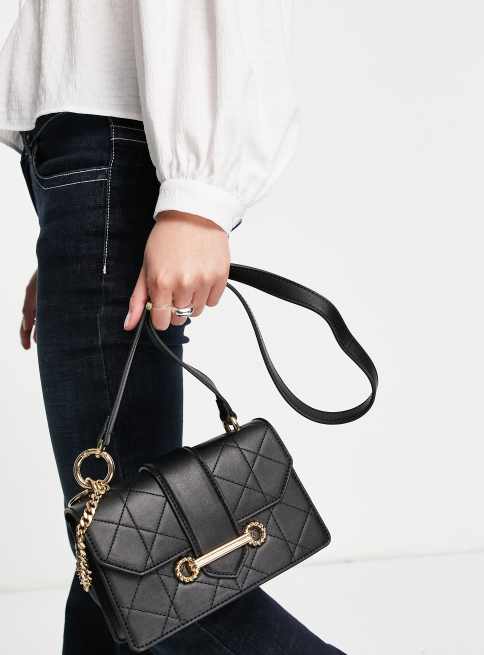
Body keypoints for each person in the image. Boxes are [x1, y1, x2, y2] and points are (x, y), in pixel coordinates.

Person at [0, 2, 345, 654]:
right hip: (81, 168)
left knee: (142, 560)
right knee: (110, 555)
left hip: (109, 150)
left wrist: (198, 198)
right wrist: (73, 244)